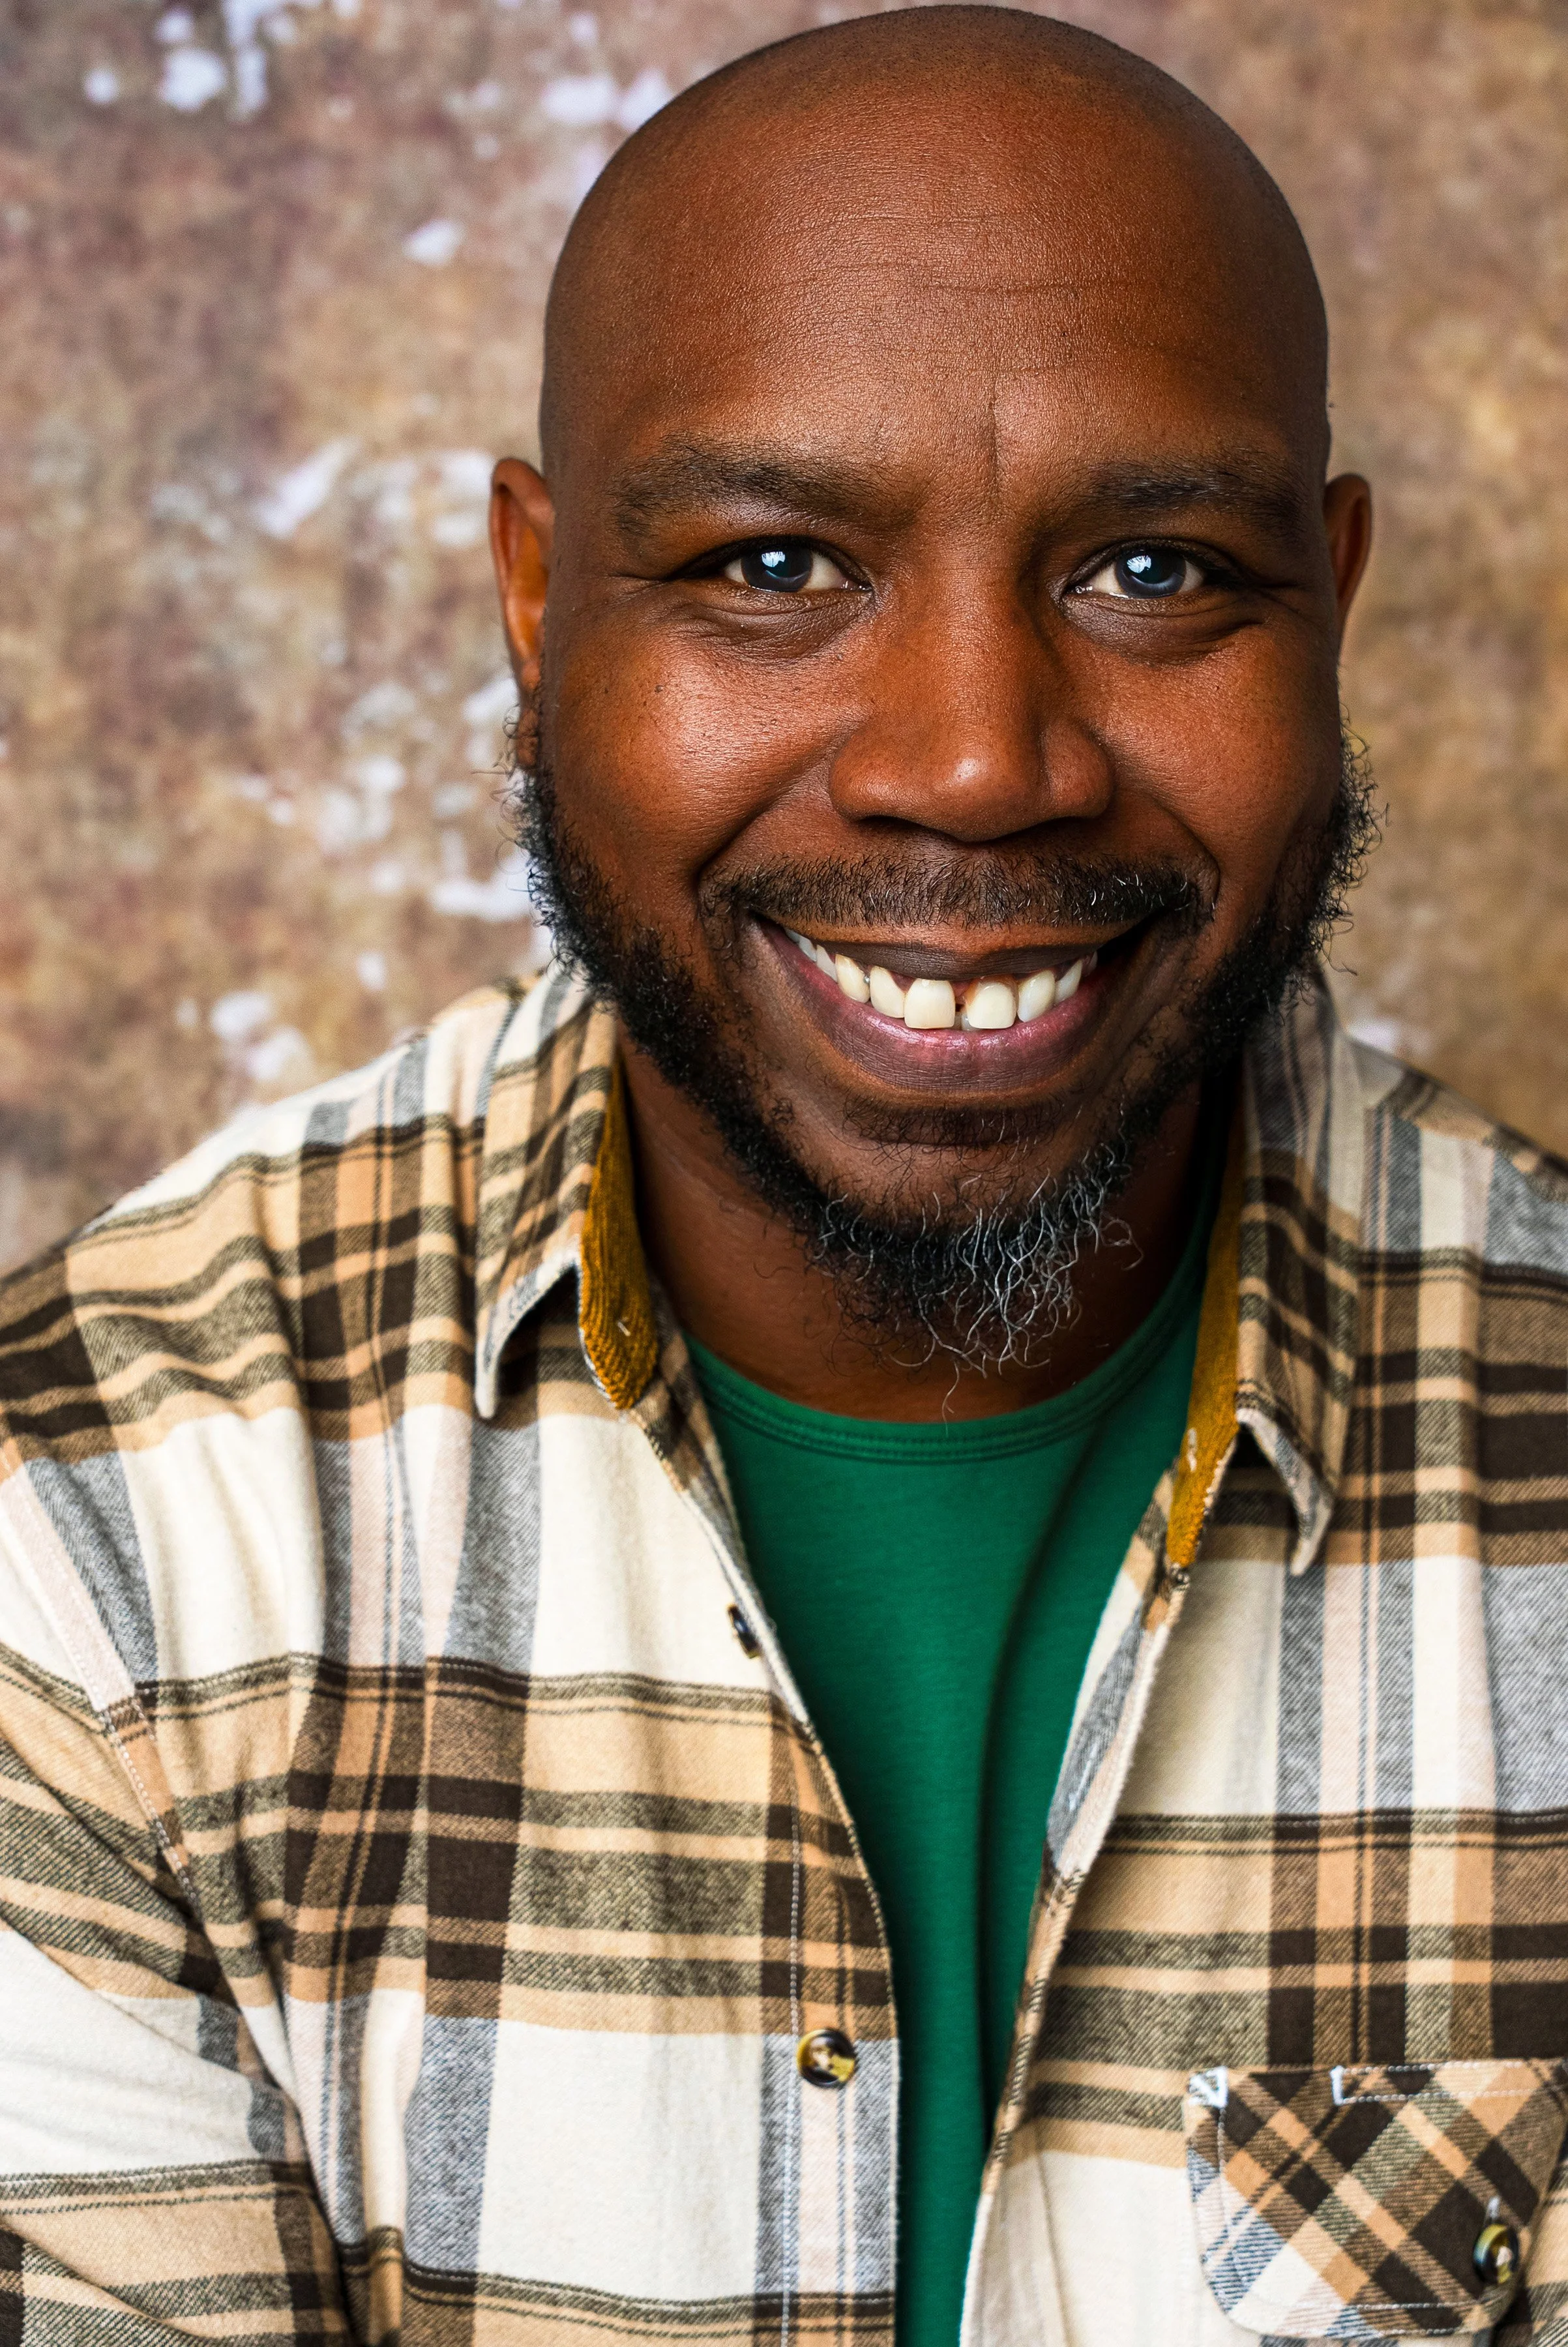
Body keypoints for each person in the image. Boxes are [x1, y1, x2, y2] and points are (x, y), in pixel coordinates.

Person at [0, 8, 1565, 2343]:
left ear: (1324, 605)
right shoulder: (94, 1536)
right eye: (768, 563)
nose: (971, 762)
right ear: (540, 608)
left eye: (1150, 571)